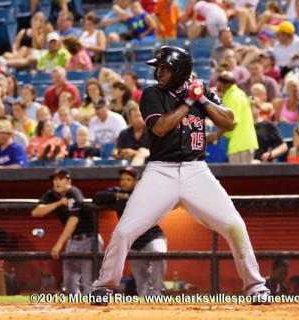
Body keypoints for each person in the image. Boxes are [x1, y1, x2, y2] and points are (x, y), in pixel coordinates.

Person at [90, 46, 270, 305]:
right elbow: (161, 128)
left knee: (234, 225)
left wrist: (203, 100)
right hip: (161, 170)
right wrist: (188, 102)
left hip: (196, 170)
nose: (159, 72)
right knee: (124, 231)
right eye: (159, 68)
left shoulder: (202, 93)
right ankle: (104, 287)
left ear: (181, 71)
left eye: (165, 68)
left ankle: (255, 286)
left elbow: (229, 123)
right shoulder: (151, 94)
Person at [93, 167, 167, 296]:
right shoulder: (117, 192)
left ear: (136, 182)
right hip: (133, 242)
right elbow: (97, 197)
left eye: (128, 179)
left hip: (152, 236)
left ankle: (157, 291)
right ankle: (145, 303)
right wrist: (116, 195)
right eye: (122, 179)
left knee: (159, 253)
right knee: (140, 281)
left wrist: (120, 201)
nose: (124, 182)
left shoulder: (143, 191)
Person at [32, 168, 103, 295]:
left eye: (61, 179)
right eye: (55, 179)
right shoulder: (53, 194)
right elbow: (36, 212)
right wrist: (58, 203)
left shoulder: (74, 193)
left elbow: (73, 221)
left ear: (68, 181)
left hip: (90, 239)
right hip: (73, 240)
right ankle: (76, 309)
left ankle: (95, 310)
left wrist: (59, 244)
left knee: (88, 281)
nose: (57, 182)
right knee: (69, 281)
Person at [211, 71, 258, 164]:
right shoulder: (237, 94)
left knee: (242, 177)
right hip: (239, 144)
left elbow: (231, 122)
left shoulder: (234, 96)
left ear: (222, 84)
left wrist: (215, 136)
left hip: (240, 145)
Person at [251, 98, 288, 163]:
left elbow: (283, 146)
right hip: (247, 160)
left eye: (251, 107)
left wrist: (271, 154)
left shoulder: (269, 126)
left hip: (262, 162)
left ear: (259, 108)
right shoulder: (244, 127)